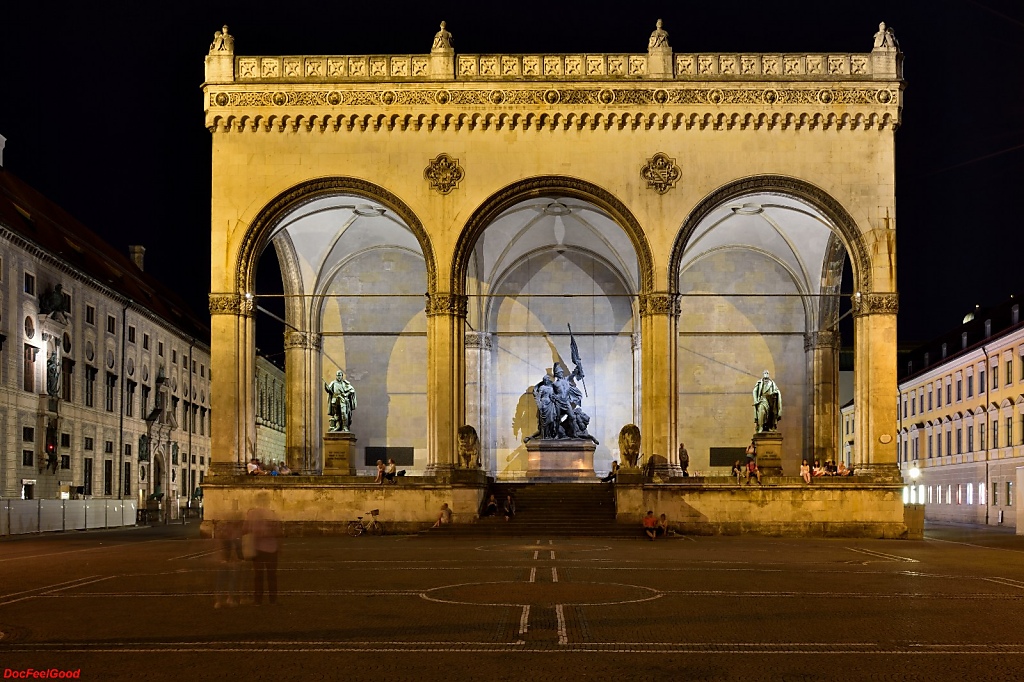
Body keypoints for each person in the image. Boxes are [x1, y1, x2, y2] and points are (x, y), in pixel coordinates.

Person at [243, 501, 281, 606]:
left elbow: (244, 530)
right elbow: (279, 532)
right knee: (271, 576)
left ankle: (258, 600)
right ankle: (272, 600)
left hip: (259, 548)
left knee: (259, 576)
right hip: (271, 549)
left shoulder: (252, 514)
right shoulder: (273, 515)